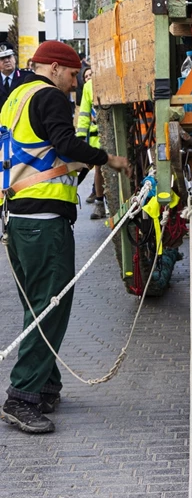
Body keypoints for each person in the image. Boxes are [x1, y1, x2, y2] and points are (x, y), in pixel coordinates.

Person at [0, 41, 129, 435]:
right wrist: (109, 159)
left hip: (19, 219)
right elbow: (66, 144)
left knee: (37, 304)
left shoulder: (15, 97)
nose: (75, 83)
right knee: (51, 306)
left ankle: (45, 385)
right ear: (55, 68)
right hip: (44, 221)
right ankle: (21, 397)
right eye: (73, 75)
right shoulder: (50, 97)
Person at [76, 67, 106, 221]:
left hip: (112, 134)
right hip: (97, 137)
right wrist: (80, 137)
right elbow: (84, 113)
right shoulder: (89, 86)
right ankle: (100, 203)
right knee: (98, 170)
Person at [0, 47, 34, 112]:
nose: (7, 61)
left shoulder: (27, 76)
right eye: (2, 58)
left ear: (15, 59)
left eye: (9, 57)